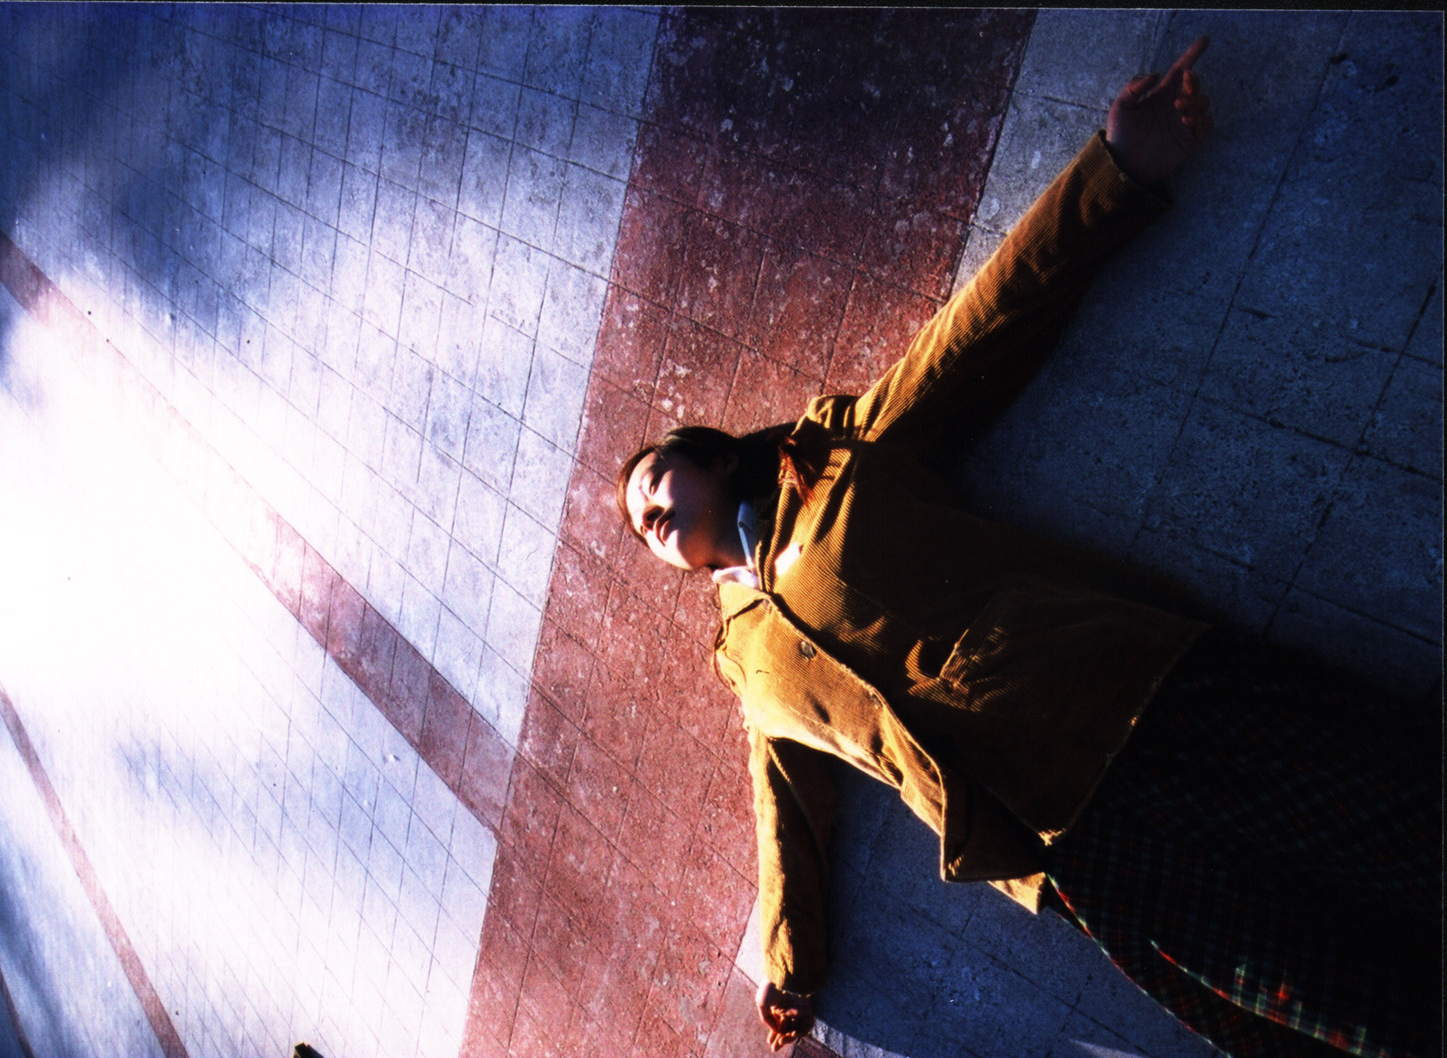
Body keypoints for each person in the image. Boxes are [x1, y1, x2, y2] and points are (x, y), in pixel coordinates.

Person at [615, 37, 1441, 1058]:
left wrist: (1115, 171)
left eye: (655, 481)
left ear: (708, 459)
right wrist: (793, 966)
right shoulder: (745, 659)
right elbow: (783, 813)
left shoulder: (831, 460)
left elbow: (976, 333)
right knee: (1340, 1001)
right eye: (639, 525)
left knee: (1402, 812)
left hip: (1128, 697)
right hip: (1060, 841)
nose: (649, 514)